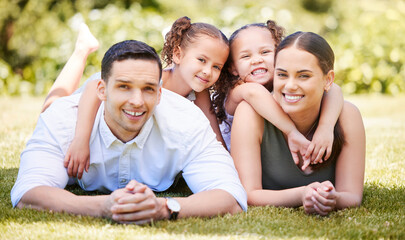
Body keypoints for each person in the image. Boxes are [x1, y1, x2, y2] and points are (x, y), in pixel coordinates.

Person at [11, 40, 247, 224]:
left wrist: (164, 208)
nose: (137, 101)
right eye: (124, 87)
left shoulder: (187, 121)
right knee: (52, 105)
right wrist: (102, 207)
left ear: (159, 93)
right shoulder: (62, 119)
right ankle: (81, 51)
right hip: (70, 111)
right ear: (101, 90)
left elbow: (231, 196)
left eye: (148, 89)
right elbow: (28, 193)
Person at [41, 17, 230, 179]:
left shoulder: (199, 92)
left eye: (217, 67)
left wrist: (225, 166)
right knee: (50, 109)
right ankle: (82, 51)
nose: (208, 71)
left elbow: (214, 136)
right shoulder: (156, 80)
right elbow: (92, 89)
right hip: (100, 100)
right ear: (178, 55)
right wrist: (81, 141)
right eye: (202, 60)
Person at [231, 31, 365, 216]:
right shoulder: (250, 114)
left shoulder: (347, 116)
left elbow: (352, 196)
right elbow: (248, 194)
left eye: (303, 76)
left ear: (328, 80)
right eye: (282, 75)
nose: (290, 86)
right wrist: (303, 194)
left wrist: (332, 199)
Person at [212, 21, 343, 167]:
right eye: (246, 57)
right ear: (233, 68)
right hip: (242, 165)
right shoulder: (237, 90)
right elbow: (255, 93)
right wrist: (292, 132)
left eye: (265, 52)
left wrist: (325, 128)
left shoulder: (284, 86)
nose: (257, 60)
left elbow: (333, 89)